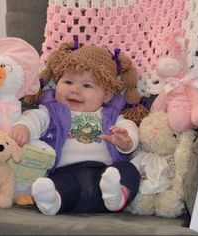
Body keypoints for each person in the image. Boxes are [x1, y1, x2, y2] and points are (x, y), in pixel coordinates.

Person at [10, 39, 140, 215]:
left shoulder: (110, 115)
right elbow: (35, 118)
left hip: (105, 174)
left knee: (129, 171)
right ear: (57, 83)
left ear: (107, 95)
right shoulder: (52, 111)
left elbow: (128, 126)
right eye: (68, 82)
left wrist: (126, 140)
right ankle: (53, 200)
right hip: (66, 173)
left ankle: (118, 195)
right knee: (56, 182)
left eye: (87, 85)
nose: (75, 90)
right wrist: (24, 127)